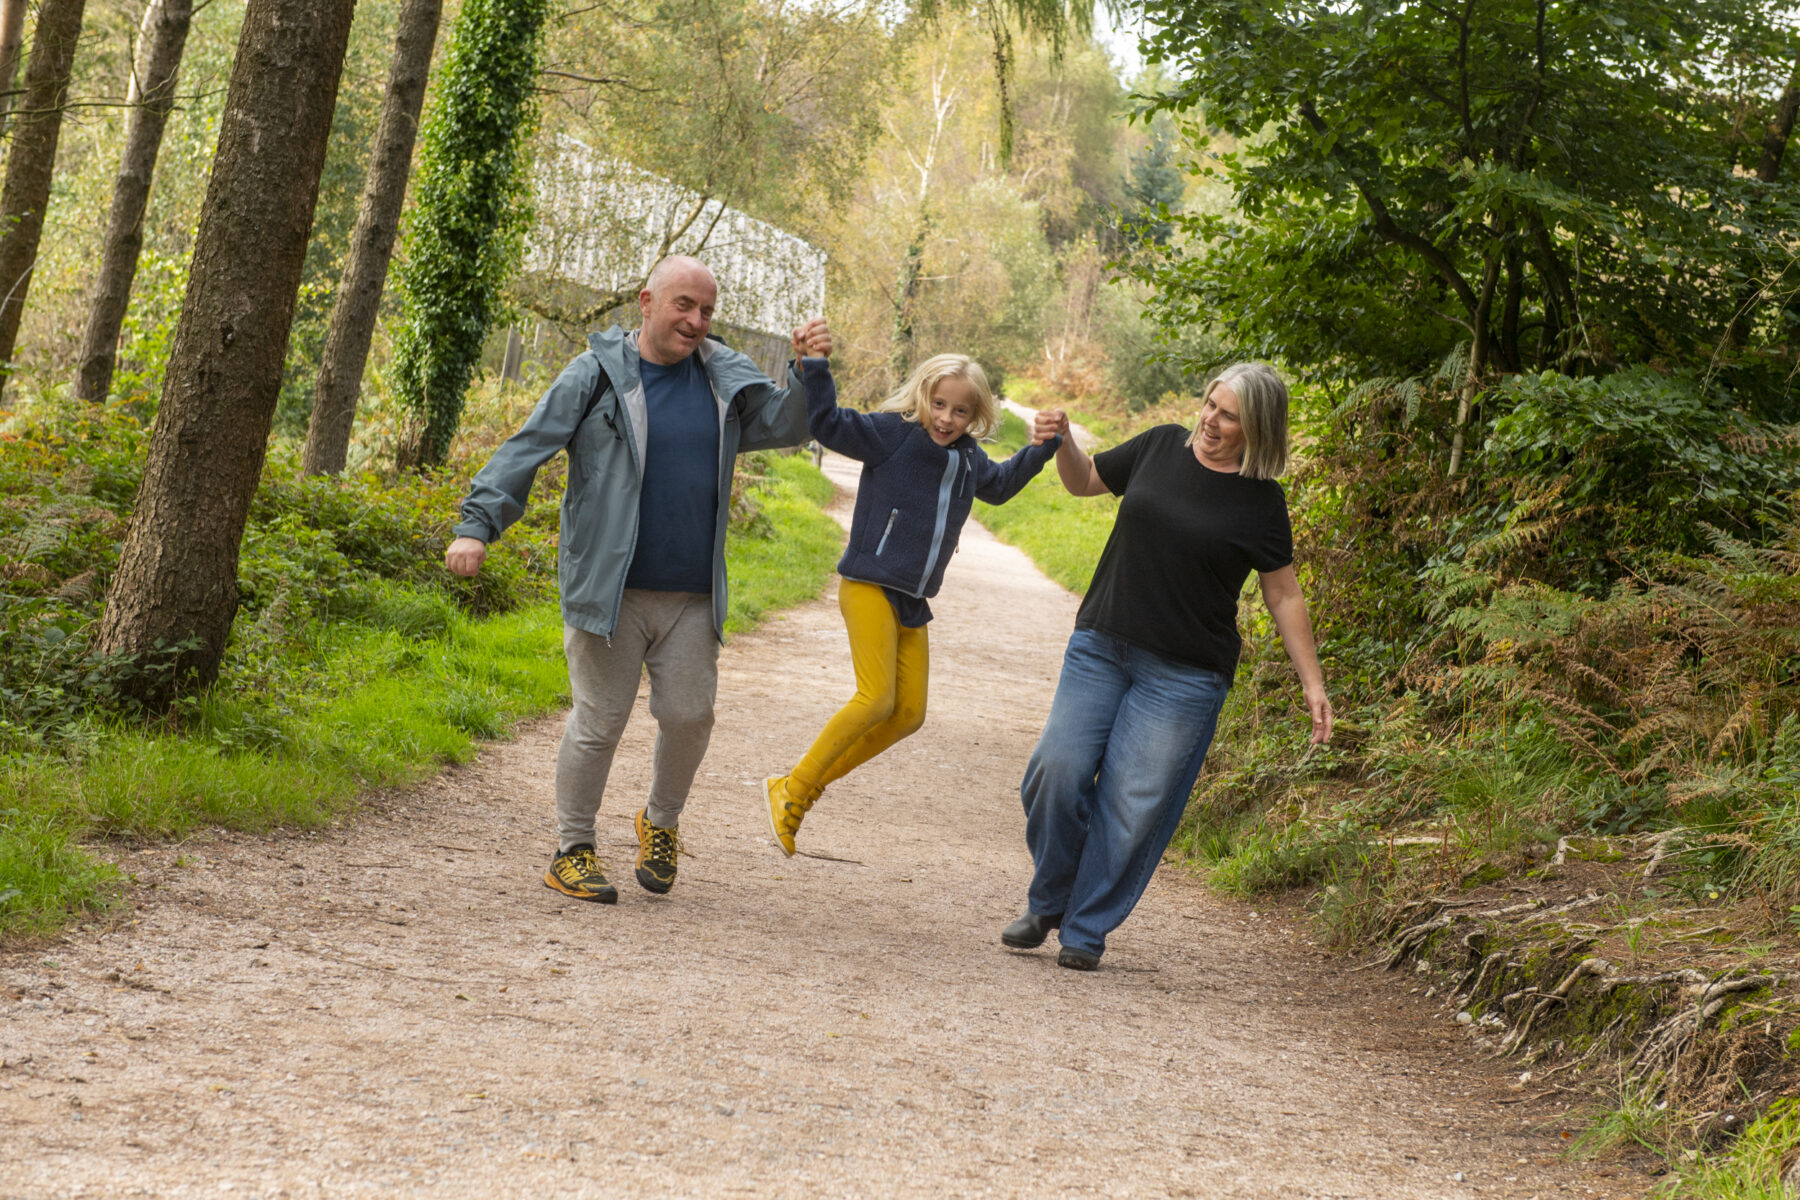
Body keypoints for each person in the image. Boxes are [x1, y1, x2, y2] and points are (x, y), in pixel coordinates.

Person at [445, 255, 830, 904]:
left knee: (689, 717)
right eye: (684, 305)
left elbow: (790, 425)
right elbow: (527, 446)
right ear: (647, 302)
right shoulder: (595, 375)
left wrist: (808, 371)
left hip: (690, 596)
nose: (697, 321)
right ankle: (572, 848)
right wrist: (477, 525)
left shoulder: (721, 380)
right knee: (600, 722)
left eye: (707, 311)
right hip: (610, 590)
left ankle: (661, 822)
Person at [1004, 362, 1332, 970]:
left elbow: (1283, 593)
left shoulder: (1262, 502)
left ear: (1257, 427)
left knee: (1133, 804)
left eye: (1228, 415)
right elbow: (1084, 483)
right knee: (1055, 769)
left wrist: (1312, 682)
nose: (1210, 419)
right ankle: (1050, 898)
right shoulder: (1159, 445)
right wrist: (1065, 441)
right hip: (1102, 645)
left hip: (1185, 676)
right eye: (1210, 404)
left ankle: (1084, 927)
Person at [763, 354, 1061, 854]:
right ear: (922, 394)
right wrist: (815, 367)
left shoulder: (969, 460)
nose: (946, 418)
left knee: (908, 715)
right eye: (939, 404)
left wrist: (1046, 445)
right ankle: (796, 790)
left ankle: (795, 786)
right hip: (868, 584)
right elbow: (828, 423)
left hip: (912, 600)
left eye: (960, 411)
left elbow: (1003, 486)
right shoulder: (892, 434)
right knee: (875, 699)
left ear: (977, 416)